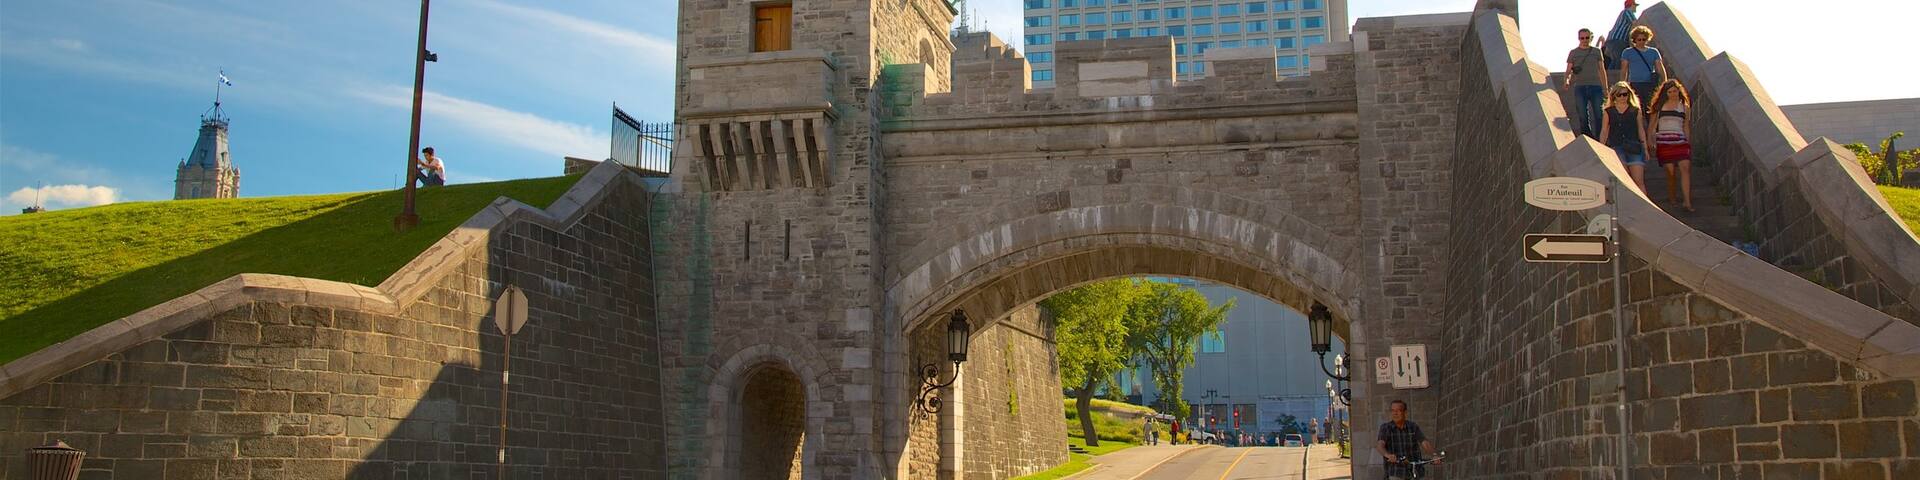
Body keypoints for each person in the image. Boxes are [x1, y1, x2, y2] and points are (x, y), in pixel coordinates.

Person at [1649, 79, 1694, 212]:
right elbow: (1652, 127)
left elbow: (1686, 126)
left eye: (1675, 91)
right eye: (1670, 92)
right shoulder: (1659, 106)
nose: (1673, 94)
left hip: (1680, 140)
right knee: (1671, 172)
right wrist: (1651, 141)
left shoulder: (1684, 106)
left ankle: (1687, 201)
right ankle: (1672, 197)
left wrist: (1688, 141)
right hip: (1664, 141)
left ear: (1679, 91)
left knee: (1685, 168)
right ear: (1665, 93)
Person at [1599, 82, 1650, 195]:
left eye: (1625, 94)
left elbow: (1640, 129)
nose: (1623, 97)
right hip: (1616, 147)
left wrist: (1645, 147)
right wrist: (1601, 148)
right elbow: (1604, 131)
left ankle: (1644, 206)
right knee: (1625, 180)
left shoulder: (1635, 110)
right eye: (1619, 95)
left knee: (1639, 181)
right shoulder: (1609, 112)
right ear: (1614, 96)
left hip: (1634, 146)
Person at [1564, 28, 1610, 139]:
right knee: (1582, 115)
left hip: (1596, 86)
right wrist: (1566, 80)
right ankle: (1587, 137)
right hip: (1580, 86)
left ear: (1590, 38)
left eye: (1587, 38)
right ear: (1579, 38)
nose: (1584, 40)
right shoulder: (1574, 53)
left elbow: (1601, 69)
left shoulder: (1596, 51)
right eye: (1582, 38)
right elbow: (1569, 69)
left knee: (1599, 114)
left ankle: (1600, 138)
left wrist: (1605, 88)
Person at [1376, 400, 1439, 480]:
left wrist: (1434, 455)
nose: (1395, 413)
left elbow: (1424, 442)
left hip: (1415, 469)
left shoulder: (1412, 426)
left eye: (1398, 411)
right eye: (1393, 411)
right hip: (1396, 471)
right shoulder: (1386, 428)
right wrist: (1388, 455)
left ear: (1405, 412)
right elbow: (1380, 445)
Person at [1616, 25, 1666, 112]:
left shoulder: (1653, 52)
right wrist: (1623, 84)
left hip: (1649, 84)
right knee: (1635, 109)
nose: (1642, 42)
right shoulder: (1627, 52)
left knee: (1649, 109)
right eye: (1639, 39)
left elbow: (1660, 67)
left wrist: (1664, 82)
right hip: (1635, 83)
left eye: (1644, 39)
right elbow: (1624, 70)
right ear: (1634, 40)